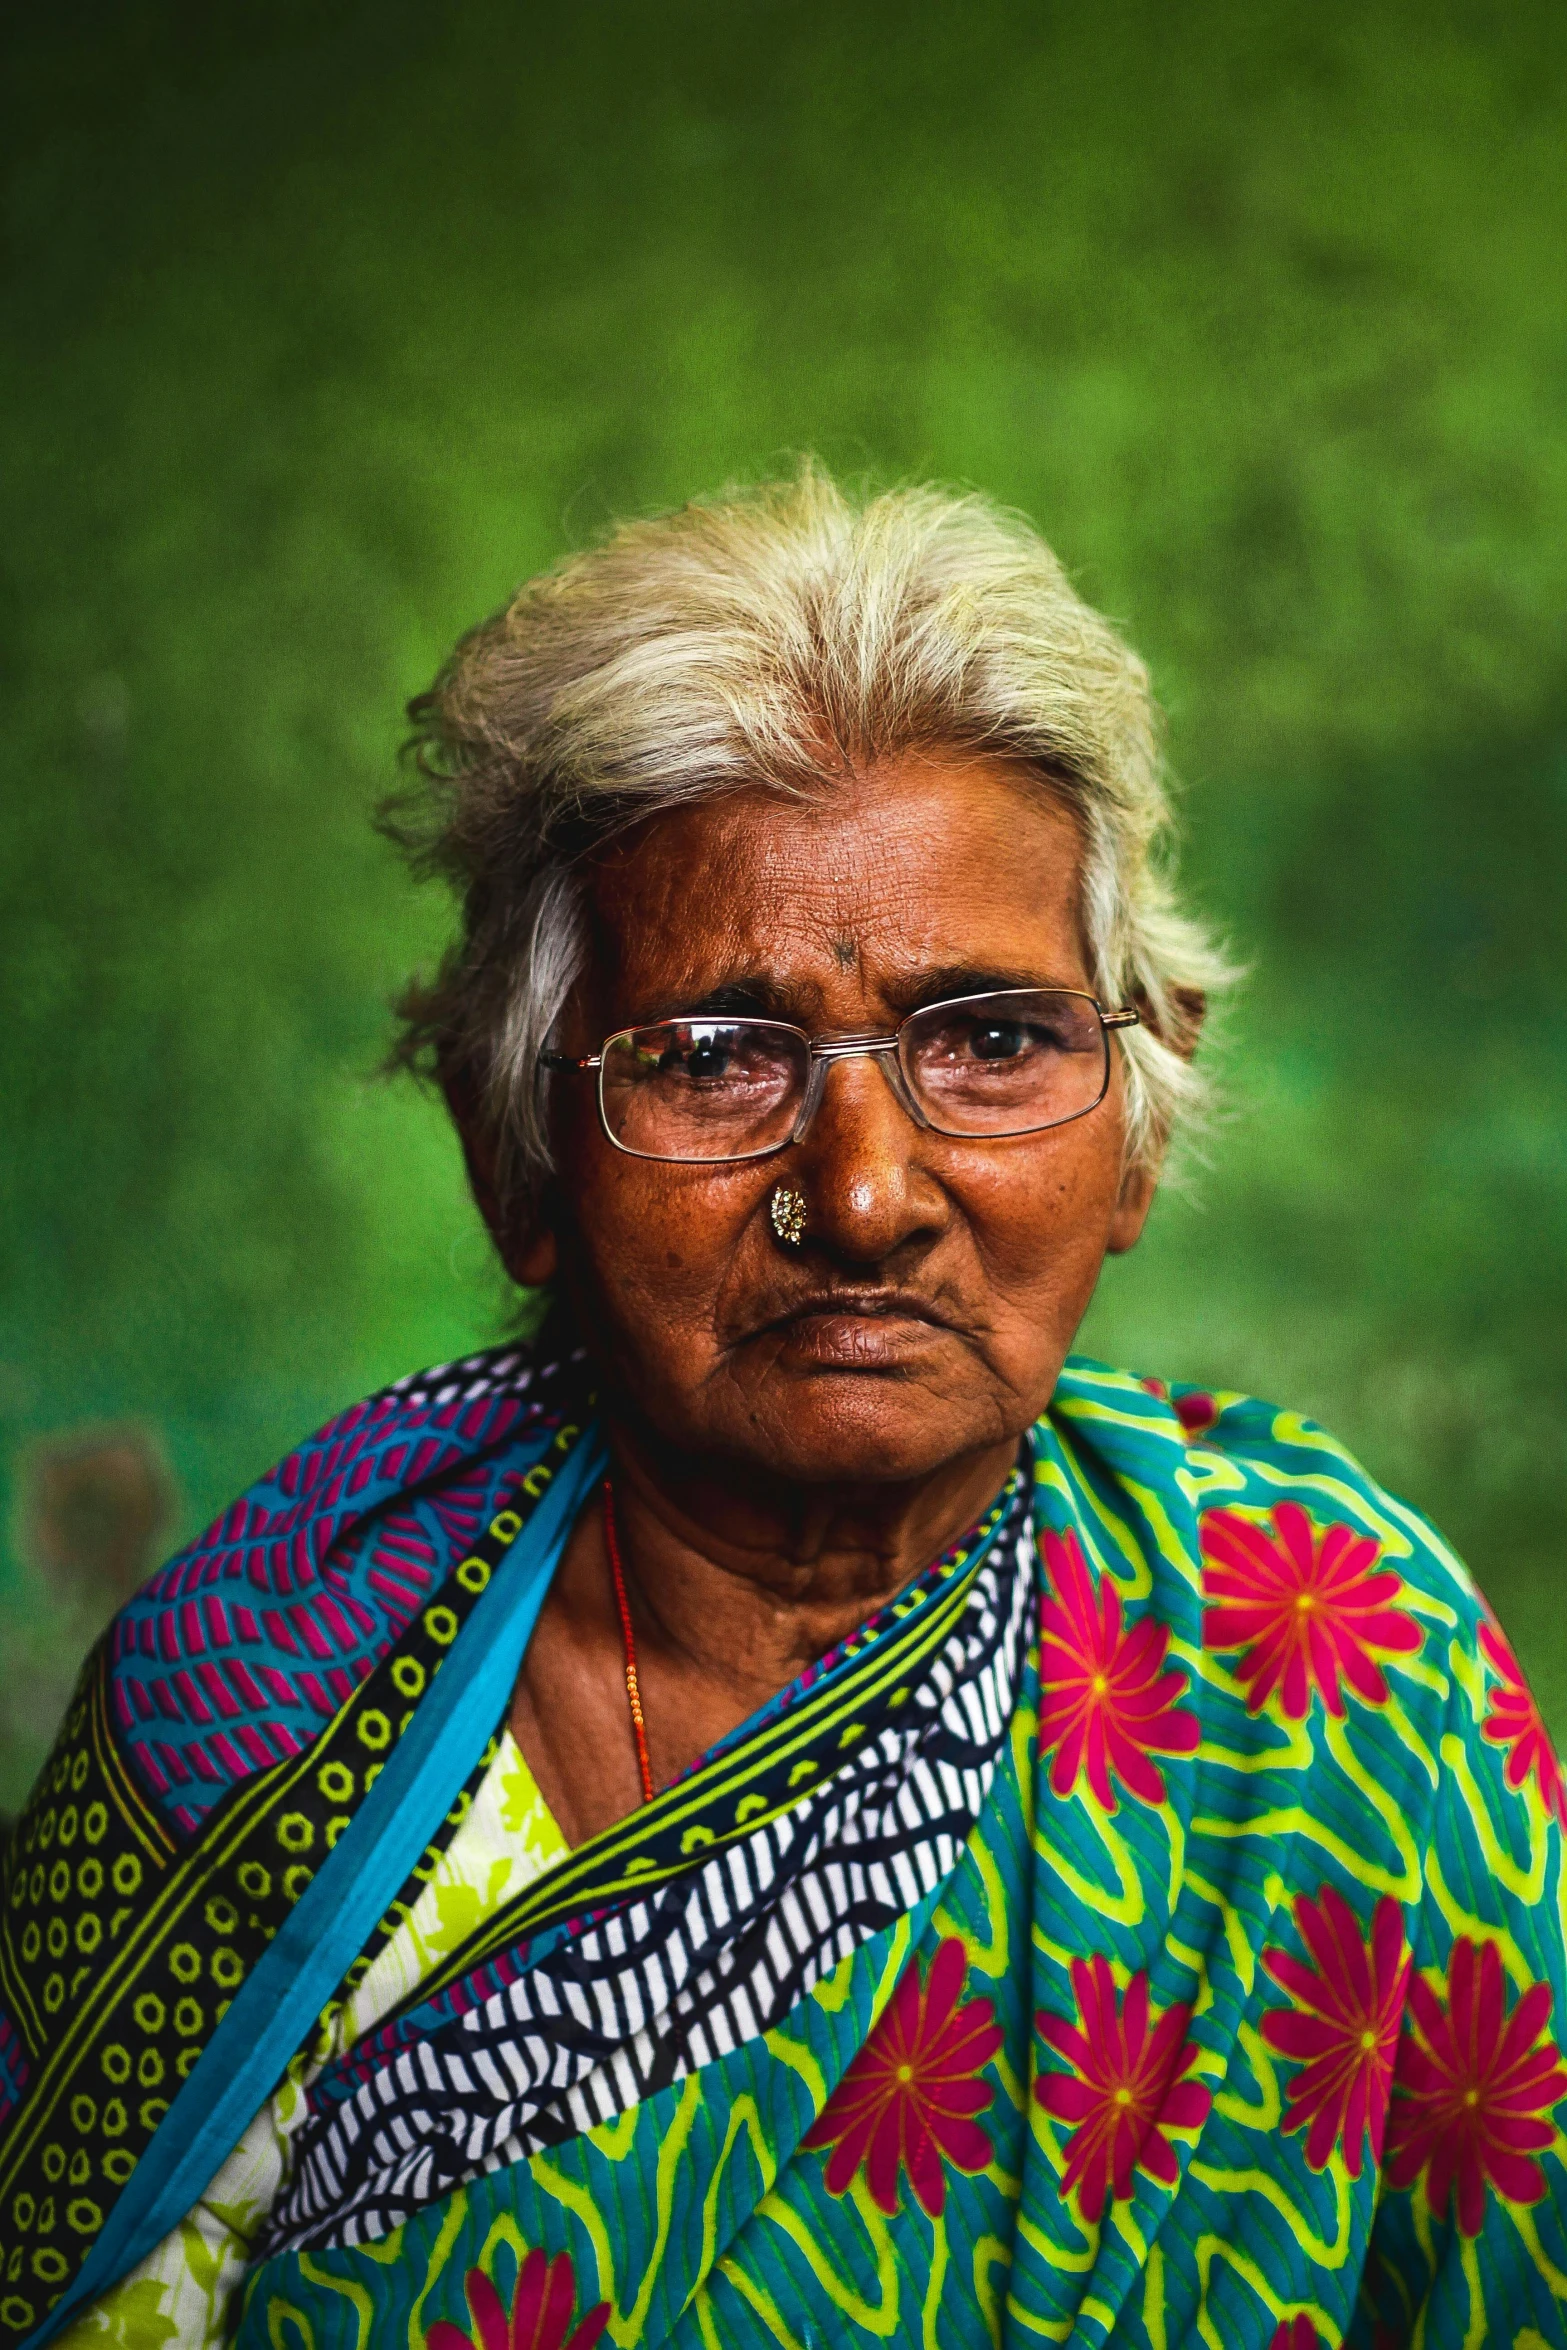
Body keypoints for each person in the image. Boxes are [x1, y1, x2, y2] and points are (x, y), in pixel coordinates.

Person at [2, 466, 1563, 2350]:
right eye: (716, 1056)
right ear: (520, 1157)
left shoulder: (1324, 1665)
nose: (867, 1188)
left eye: (989, 1038)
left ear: (1132, 1135)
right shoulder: (249, 1697)